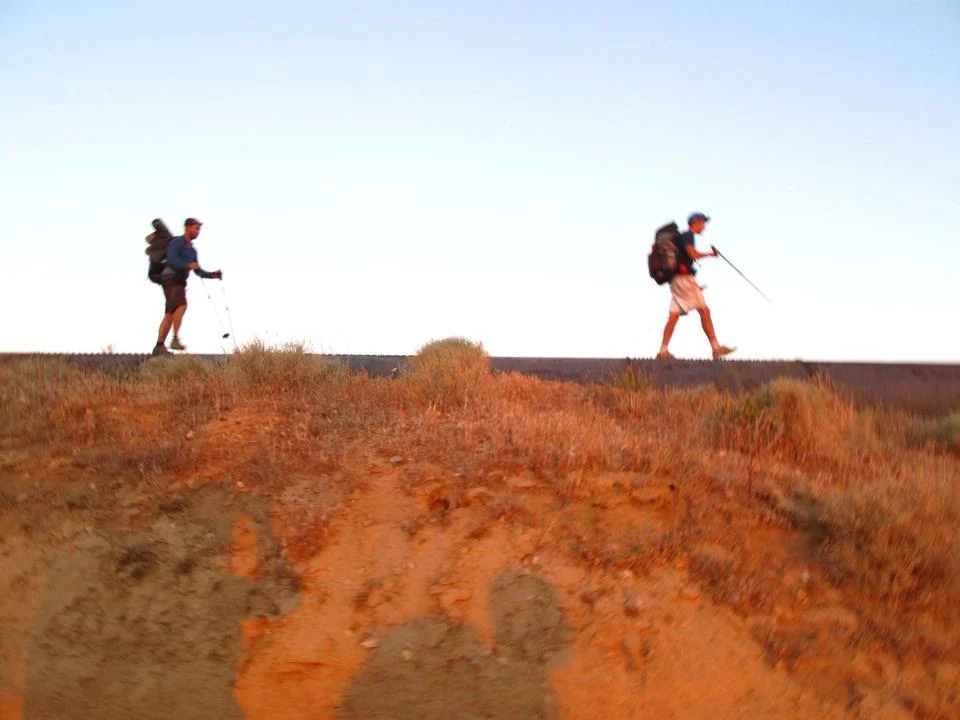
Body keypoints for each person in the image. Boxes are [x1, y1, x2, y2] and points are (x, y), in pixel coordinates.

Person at [657, 212, 735, 360]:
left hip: (676, 281)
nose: (704, 227)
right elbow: (692, 254)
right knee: (704, 311)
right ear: (696, 221)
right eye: (703, 223)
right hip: (685, 279)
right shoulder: (688, 235)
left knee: (674, 315)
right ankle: (716, 348)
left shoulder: (680, 237)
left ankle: (663, 350)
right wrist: (710, 254)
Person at [153, 218, 222, 355]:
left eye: (199, 229)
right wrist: (187, 265)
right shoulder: (176, 242)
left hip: (179, 281)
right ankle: (175, 340)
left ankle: (159, 345)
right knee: (181, 305)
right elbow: (171, 259)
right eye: (196, 228)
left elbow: (198, 271)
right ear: (187, 227)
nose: (198, 232)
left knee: (170, 313)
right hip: (170, 278)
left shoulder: (192, 251)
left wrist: (212, 275)